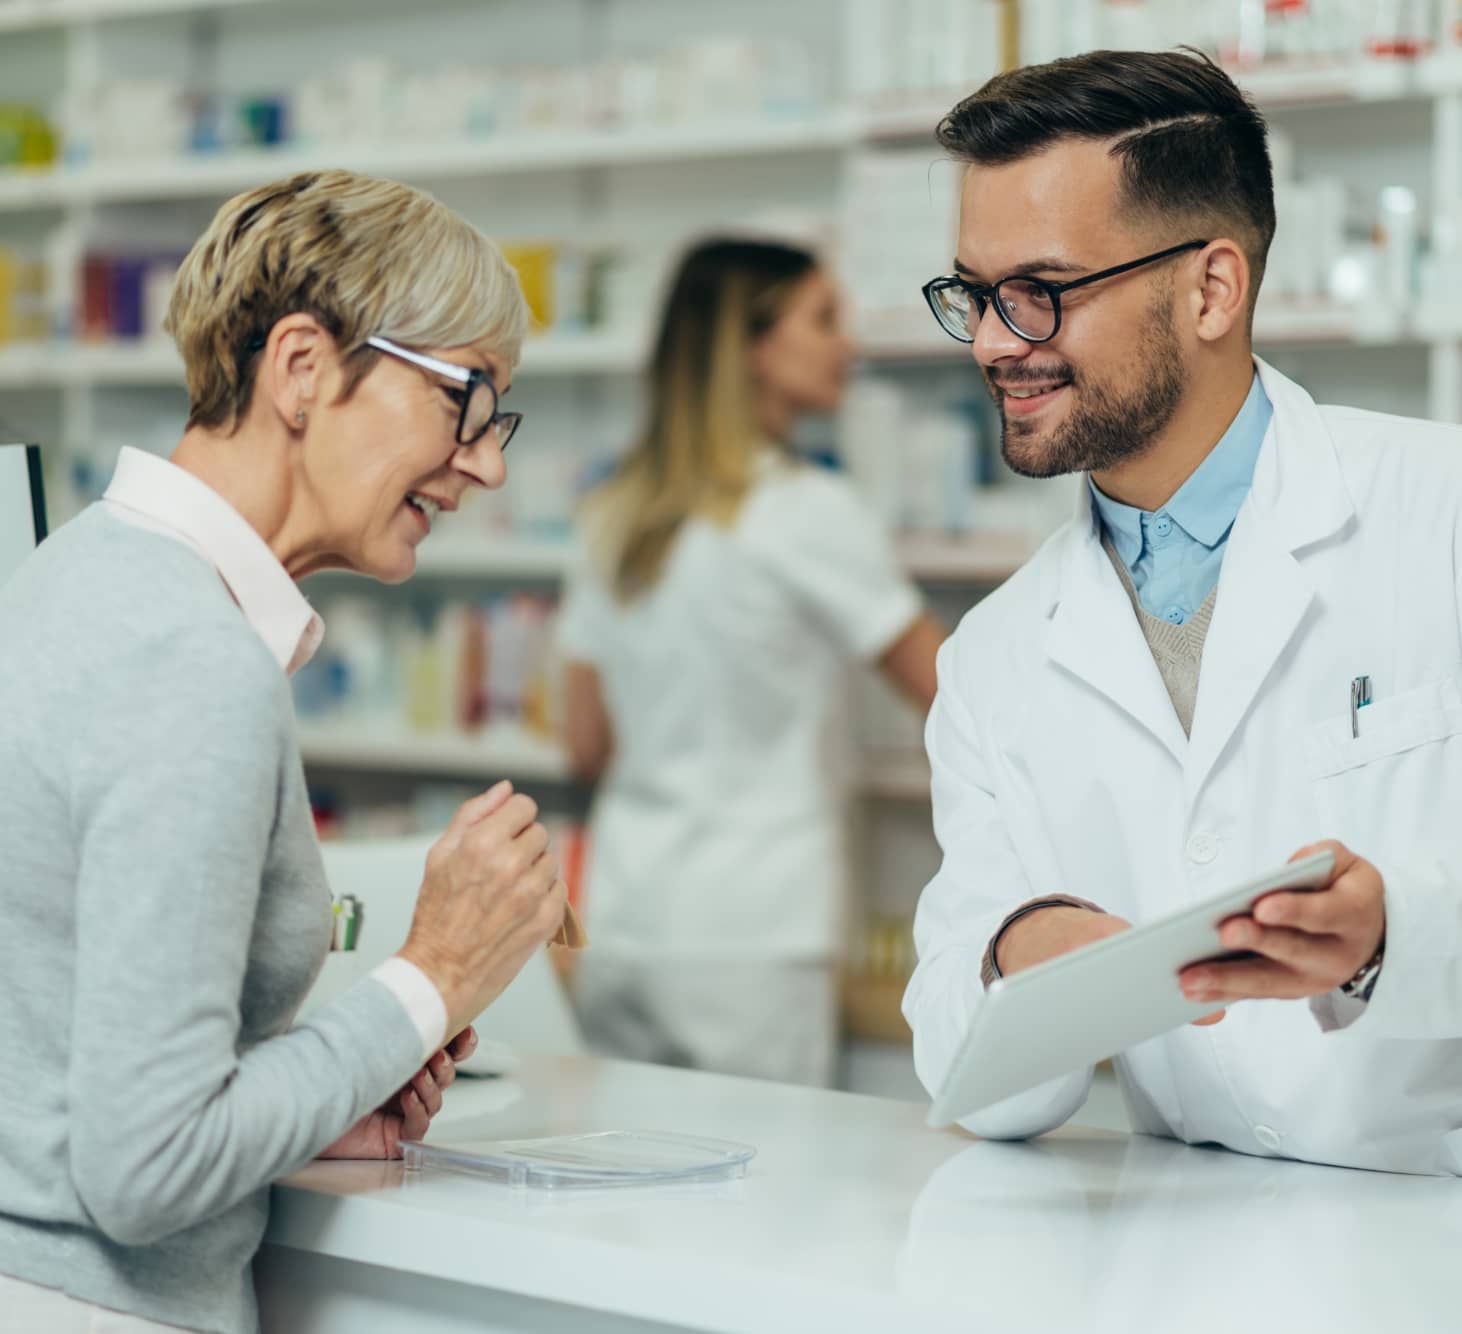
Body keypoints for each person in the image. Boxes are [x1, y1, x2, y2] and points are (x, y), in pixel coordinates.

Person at [0, 170, 574, 1333]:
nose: (488, 463)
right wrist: (435, 973)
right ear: (304, 367)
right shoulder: (190, 659)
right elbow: (145, 1167)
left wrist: (306, 1102)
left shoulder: (73, 574)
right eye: (466, 398)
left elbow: (63, 1061)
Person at [903, 49, 1462, 1175]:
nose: (994, 342)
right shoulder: (994, 657)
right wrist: (1018, 957)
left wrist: (1390, 936)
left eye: (1042, 291)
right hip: (1197, 1234)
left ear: (1211, 289)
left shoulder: (1439, 512)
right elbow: (973, 1082)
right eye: (976, 293)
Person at [558, 237, 945, 1087]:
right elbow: (953, 696)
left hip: (623, 922)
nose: (846, 342)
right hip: (753, 938)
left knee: (623, 1166)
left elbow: (583, 743)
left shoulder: (612, 513)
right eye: (823, 319)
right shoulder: (806, 510)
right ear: (752, 346)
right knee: (762, 1173)